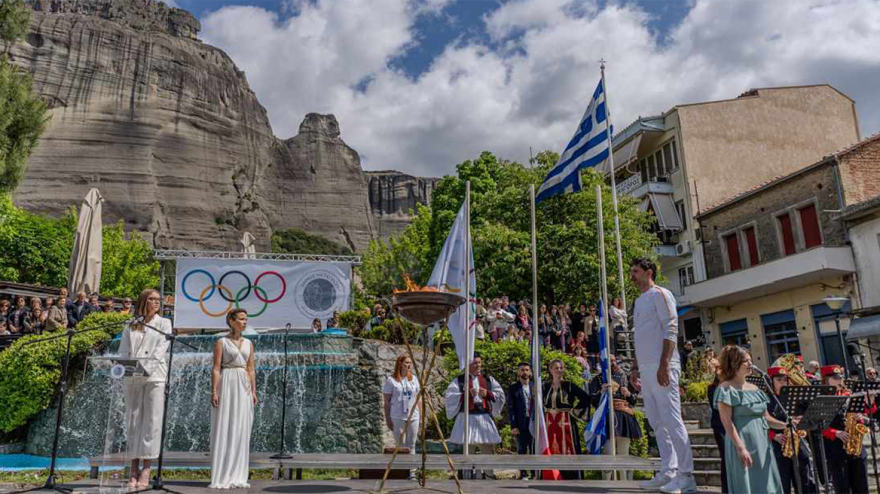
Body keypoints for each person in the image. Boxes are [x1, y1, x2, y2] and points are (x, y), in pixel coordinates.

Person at [629, 257, 696, 493]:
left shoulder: (661, 294)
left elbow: (671, 327)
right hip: (646, 368)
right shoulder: (638, 301)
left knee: (671, 419)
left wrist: (664, 364)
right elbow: (640, 337)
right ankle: (669, 471)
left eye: (635, 271)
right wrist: (636, 366)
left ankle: (686, 475)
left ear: (649, 272)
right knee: (657, 421)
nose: (632, 275)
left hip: (663, 366)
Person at [118, 289, 172, 488]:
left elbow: (159, 351)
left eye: (158, 300)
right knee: (132, 420)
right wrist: (123, 367)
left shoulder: (164, 324)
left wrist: (143, 369)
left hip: (154, 376)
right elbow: (123, 350)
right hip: (132, 377)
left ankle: (147, 467)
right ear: (143, 301)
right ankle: (133, 467)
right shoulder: (131, 323)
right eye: (152, 299)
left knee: (151, 422)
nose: (156, 302)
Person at [714, 345, 785, 494]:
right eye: (745, 361)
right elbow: (727, 423)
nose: (750, 364)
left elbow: (767, 418)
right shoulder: (725, 389)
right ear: (734, 364)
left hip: (762, 442)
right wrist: (741, 448)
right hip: (742, 442)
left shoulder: (755, 388)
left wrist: (788, 425)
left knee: (767, 484)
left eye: (750, 360)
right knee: (747, 485)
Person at [209, 308, 257, 489]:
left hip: (243, 385)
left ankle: (238, 474)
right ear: (231, 321)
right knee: (225, 425)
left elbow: (251, 369)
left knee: (241, 428)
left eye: (246, 319)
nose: (245, 322)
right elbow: (215, 368)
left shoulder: (249, 343)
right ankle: (222, 475)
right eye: (242, 319)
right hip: (227, 381)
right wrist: (214, 391)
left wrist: (253, 391)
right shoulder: (221, 341)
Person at [444, 353, 505, 478]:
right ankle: (467, 476)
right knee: (468, 449)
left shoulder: (488, 379)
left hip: (483, 416)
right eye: (475, 363)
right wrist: (465, 394)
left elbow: (500, 395)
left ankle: (488, 476)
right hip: (467, 416)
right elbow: (450, 397)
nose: (478, 365)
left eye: (479, 362)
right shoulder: (460, 380)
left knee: (486, 448)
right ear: (468, 365)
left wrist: (488, 394)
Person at [589, 354, 642, 480]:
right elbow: (592, 400)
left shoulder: (625, 378)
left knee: (624, 453)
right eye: (609, 361)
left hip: (624, 417)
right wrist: (601, 392)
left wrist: (629, 394)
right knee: (608, 453)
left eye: (614, 361)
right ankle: (606, 483)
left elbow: (634, 401)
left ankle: (624, 483)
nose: (612, 363)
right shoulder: (597, 379)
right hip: (607, 417)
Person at [821, 364, 871, 494]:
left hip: (856, 445)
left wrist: (860, 417)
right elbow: (816, 424)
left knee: (862, 485)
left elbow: (864, 415)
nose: (840, 380)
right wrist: (835, 432)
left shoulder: (849, 394)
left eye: (841, 377)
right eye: (836, 378)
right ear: (826, 380)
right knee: (842, 487)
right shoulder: (821, 398)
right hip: (836, 447)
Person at [766, 366, 816, 494]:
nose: (783, 383)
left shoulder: (793, 397)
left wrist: (801, 419)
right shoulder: (766, 399)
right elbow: (761, 422)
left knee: (804, 480)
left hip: (797, 442)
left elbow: (805, 416)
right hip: (778, 444)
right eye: (779, 380)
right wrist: (773, 435)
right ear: (771, 381)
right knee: (783, 482)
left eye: (785, 380)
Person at [544, 358, 591, 479]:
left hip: (566, 423)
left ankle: (571, 477)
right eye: (556, 368)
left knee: (569, 448)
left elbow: (585, 397)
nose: (559, 370)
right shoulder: (545, 386)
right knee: (549, 447)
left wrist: (574, 413)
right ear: (550, 370)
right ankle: (551, 475)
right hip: (549, 423)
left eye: (561, 368)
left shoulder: (569, 386)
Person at [384, 354, 421, 480]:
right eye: (406, 362)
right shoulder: (392, 380)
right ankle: (402, 471)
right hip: (398, 416)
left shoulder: (414, 379)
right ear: (400, 364)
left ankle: (412, 472)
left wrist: (420, 415)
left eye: (410, 362)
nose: (408, 365)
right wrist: (388, 418)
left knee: (412, 445)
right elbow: (387, 402)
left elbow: (418, 399)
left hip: (413, 416)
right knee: (401, 445)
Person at [507, 363, 534, 480]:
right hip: (520, 423)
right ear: (518, 372)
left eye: (527, 370)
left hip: (533, 422)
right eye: (522, 370)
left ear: (530, 372)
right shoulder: (513, 388)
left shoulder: (535, 386)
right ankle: (523, 474)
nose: (525, 372)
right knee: (522, 449)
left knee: (534, 448)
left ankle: (534, 473)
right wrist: (513, 425)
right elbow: (510, 408)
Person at [707, 366, 728, 494]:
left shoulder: (730, 386)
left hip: (731, 424)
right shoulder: (712, 388)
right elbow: (715, 406)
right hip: (719, 425)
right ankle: (725, 488)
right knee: (725, 456)